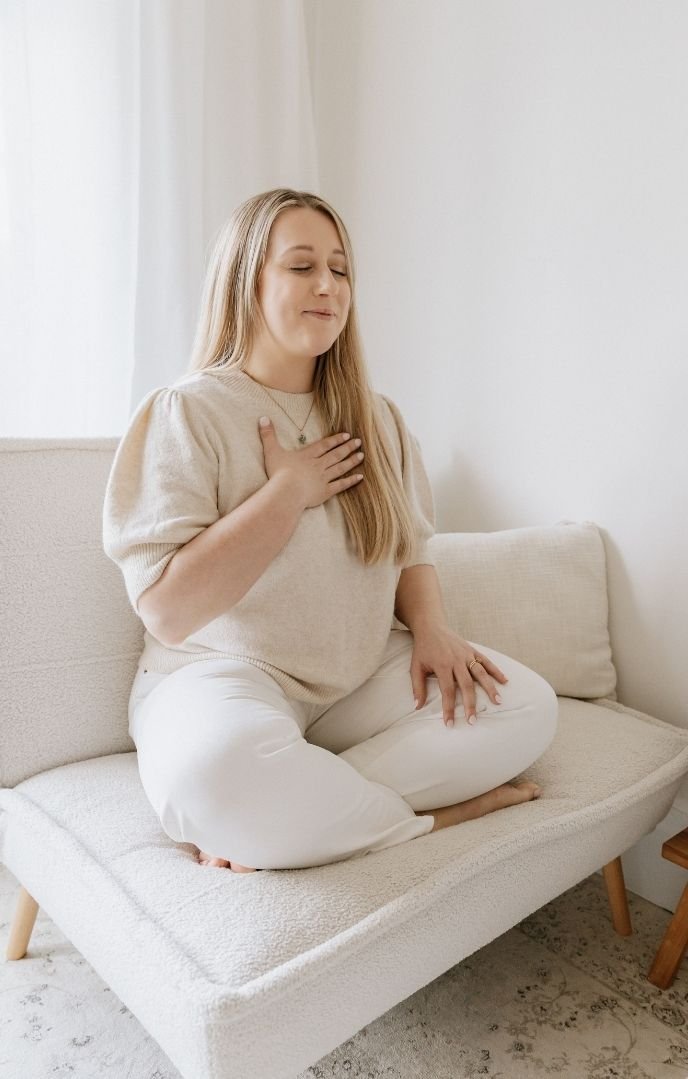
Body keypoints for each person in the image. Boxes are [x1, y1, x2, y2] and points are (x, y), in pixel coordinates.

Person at [102, 187, 558, 874]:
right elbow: (168, 611)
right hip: (216, 675)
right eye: (302, 266)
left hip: (354, 680)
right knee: (218, 772)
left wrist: (432, 630)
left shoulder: (378, 418)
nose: (328, 286)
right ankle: (427, 818)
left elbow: (410, 549)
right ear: (247, 280)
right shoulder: (186, 411)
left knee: (526, 707)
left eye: (340, 270)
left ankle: (302, 811)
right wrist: (288, 491)